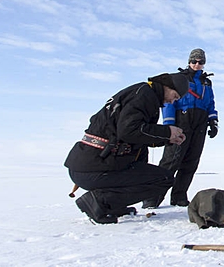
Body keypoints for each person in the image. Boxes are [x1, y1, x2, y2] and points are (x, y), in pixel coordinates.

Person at [64, 72, 189, 224]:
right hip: (96, 166)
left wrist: (168, 138)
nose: (172, 101)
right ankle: (100, 201)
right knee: (164, 179)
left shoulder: (143, 93)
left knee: (156, 175)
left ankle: (112, 205)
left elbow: (135, 135)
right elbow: (129, 130)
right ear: (167, 86)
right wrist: (167, 132)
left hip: (92, 164)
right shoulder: (144, 95)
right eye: (174, 96)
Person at [142, 48, 218, 208]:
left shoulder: (206, 82)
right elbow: (169, 102)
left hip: (200, 122)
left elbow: (210, 103)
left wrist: (213, 121)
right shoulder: (179, 79)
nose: (197, 64)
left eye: (201, 62)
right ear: (189, 61)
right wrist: (169, 125)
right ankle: (152, 197)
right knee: (171, 160)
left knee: (191, 161)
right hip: (182, 121)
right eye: (194, 61)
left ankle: (179, 196)